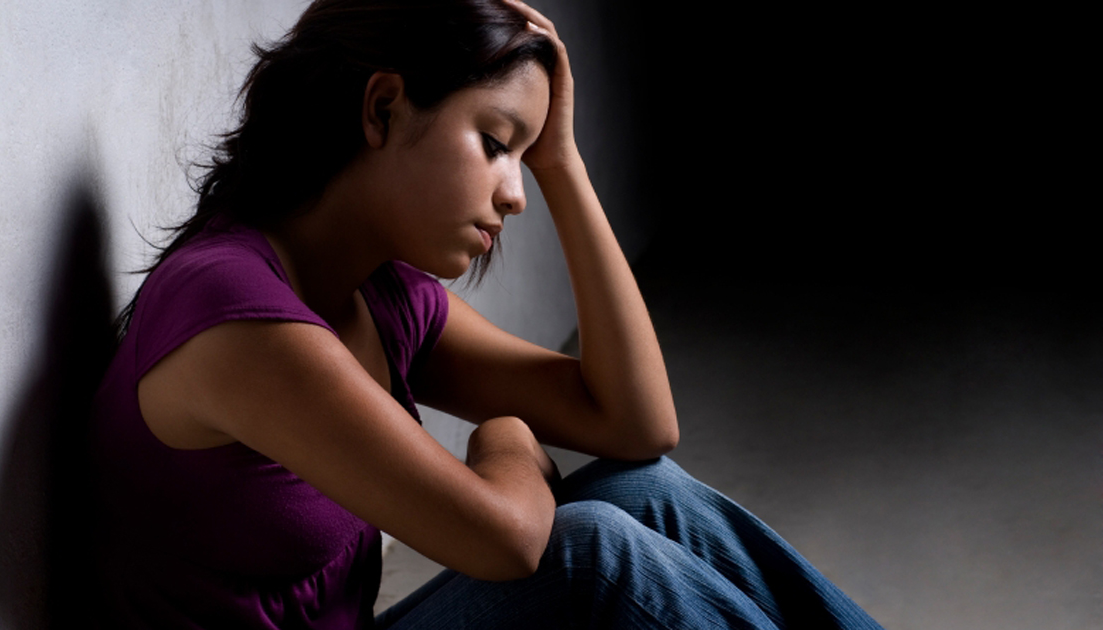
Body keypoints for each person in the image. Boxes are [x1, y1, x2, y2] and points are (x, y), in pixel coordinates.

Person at [87, 0, 884, 628]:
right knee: (593, 551)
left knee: (646, 492)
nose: (516, 192)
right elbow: (508, 539)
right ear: (384, 109)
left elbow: (636, 424)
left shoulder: (379, 293)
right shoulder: (235, 313)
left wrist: (561, 160)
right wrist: (503, 434)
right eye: (498, 142)